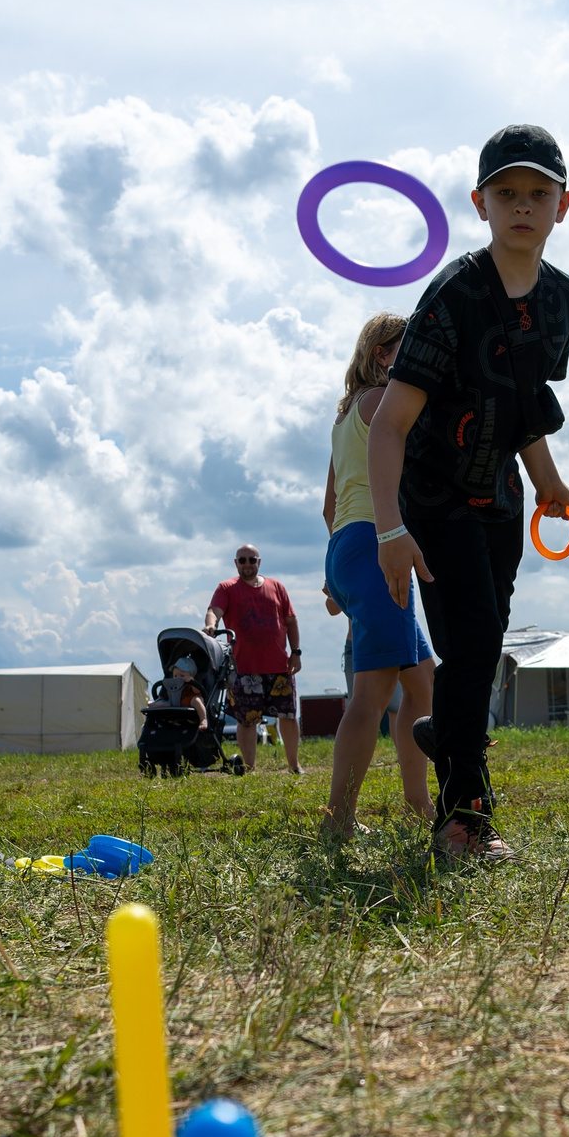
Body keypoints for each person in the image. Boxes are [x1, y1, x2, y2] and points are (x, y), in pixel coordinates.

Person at [370, 124, 569, 861]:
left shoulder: (562, 301)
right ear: (480, 203)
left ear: (563, 206)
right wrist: (390, 531)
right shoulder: (454, 294)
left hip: (499, 498)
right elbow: (389, 425)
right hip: (431, 495)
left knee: (472, 651)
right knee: (480, 638)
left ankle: (445, 740)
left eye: (538, 193)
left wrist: (547, 478)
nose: (522, 205)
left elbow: (524, 404)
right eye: (506, 193)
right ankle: (463, 824)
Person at [321, 313, 435, 836]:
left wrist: (339, 574)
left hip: (349, 545)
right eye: (405, 346)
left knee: (422, 682)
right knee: (372, 693)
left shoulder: (346, 415)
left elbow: (329, 505)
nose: (416, 353)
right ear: (380, 354)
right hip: (375, 545)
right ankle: (339, 818)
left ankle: (419, 804)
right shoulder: (381, 404)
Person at [206, 546, 304, 775]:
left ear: (259, 562)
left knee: (288, 716)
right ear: (236, 562)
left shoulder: (276, 587)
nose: (247, 564)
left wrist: (296, 652)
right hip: (244, 669)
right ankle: (249, 768)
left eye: (251, 560)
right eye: (242, 560)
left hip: (280, 666)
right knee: (247, 719)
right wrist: (212, 624)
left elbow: (290, 621)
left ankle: (294, 765)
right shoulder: (227, 588)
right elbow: (214, 610)